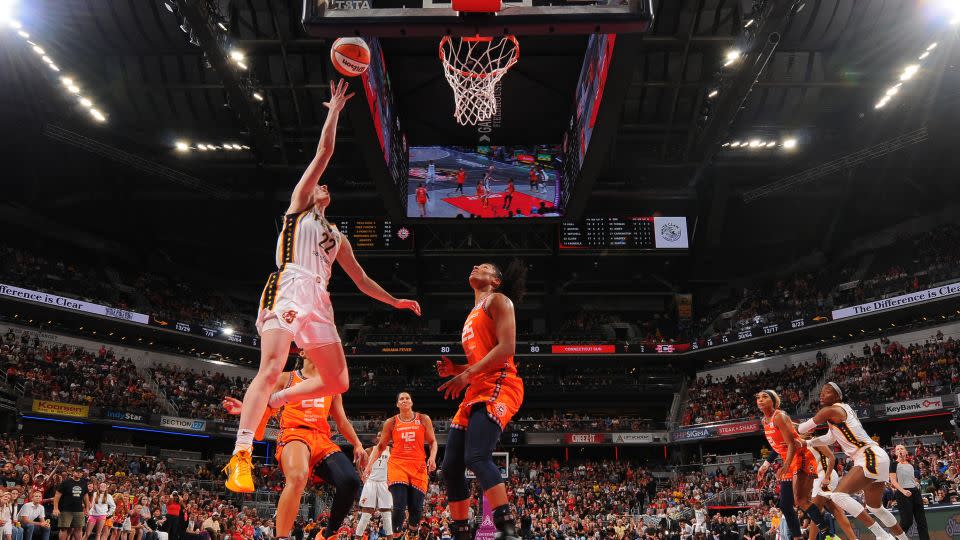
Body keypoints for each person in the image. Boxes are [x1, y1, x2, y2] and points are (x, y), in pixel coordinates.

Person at [224, 79, 421, 493]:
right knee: (274, 364)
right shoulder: (298, 209)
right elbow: (325, 152)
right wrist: (334, 109)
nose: (323, 186)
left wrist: (395, 300)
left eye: (324, 185)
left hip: (320, 299)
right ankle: (240, 455)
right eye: (318, 184)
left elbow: (363, 280)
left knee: (338, 382)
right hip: (290, 282)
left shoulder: (339, 238)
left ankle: (271, 405)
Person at [223, 355, 365, 540]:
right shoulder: (286, 378)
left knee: (350, 482)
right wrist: (245, 408)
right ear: (303, 352)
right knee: (298, 476)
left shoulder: (331, 384)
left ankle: (328, 534)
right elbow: (264, 404)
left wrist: (357, 443)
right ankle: (281, 537)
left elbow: (342, 421)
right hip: (294, 433)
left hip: (322, 439)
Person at [438, 261, 527, 540]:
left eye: (484, 266)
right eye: (475, 265)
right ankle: (461, 532)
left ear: (496, 281)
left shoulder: (499, 301)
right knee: (450, 468)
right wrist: (457, 370)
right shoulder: (472, 314)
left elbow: (506, 348)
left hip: (500, 382)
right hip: (476, 386)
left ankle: (507, 528)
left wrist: (465, 376)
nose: (475, 266)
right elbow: (481, 357)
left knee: (476, 456)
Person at [798, 382, 906, 540]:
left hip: (868, 455)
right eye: (821, 392)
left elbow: (802, 429)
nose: (821, 395)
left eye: (826, 392)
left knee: (838, 496)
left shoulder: (830, 410)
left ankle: (883, 536)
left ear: (837, 396)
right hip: (876, 455)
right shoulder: (841, 410)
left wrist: (790, 427)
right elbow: (829, 438)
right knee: (875, 507)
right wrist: (808, 443)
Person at [754, 390, 826, 540]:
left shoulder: (779, 416)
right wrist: (765, 465)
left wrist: (785, 465)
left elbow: (792, 444)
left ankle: (828, 533)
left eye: (764, 397)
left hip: (799, 456)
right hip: (788, 459)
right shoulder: (764, 421)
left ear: (773, 400)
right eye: (758, 398)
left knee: (800, 500)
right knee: (785, 506)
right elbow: (777, 446)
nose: (760, 400)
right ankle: (799, 537)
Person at [366, 393, 438, 539]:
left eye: (407, 398)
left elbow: (432, 442)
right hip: (397, 464)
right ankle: (396, 536)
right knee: (399, 506)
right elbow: (380, 446)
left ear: (411, 402)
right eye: (401, 399)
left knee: (416, 509)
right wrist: (369, 465)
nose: (405, 400)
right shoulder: (391, 422)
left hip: (418, 466)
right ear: (397, 404)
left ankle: (411, 533)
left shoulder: (423, 419)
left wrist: (432, 458)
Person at [355, 436, 393, 539]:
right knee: (366, 515)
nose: (381, 437)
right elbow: (358, 463)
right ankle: (356, 538)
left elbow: (397, 465)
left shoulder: (391, 450)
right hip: (371, 482)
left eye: (383, 435)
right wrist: (361, 475)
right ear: (376, 438)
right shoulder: (370, 450)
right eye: (379, 435)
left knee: (387, 515)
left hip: (384, 482)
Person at [889, 444, 929, 540]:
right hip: (903, 493)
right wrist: (903, 491)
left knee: (922, 521)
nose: (900, 450)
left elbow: (910, 478)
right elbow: (893, 481)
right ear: (895, 453)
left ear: (906, 451)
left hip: (915, 492)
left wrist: (916, 483)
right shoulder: (894, 464)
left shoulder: (910, 464)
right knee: (907, 521)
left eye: (902, 448)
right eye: (897, 449)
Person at [52, 468, 87, 540]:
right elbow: (57, 495)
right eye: (77, 472)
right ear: (73, 472)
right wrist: (55, 508)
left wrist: (87, 508)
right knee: (64, 529)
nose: (78, 473)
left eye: (80, 472)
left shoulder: (84, 482)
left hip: (79, 510)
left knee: (78, 529)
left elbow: (85, 496)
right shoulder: (66, 482)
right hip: (66, 509)